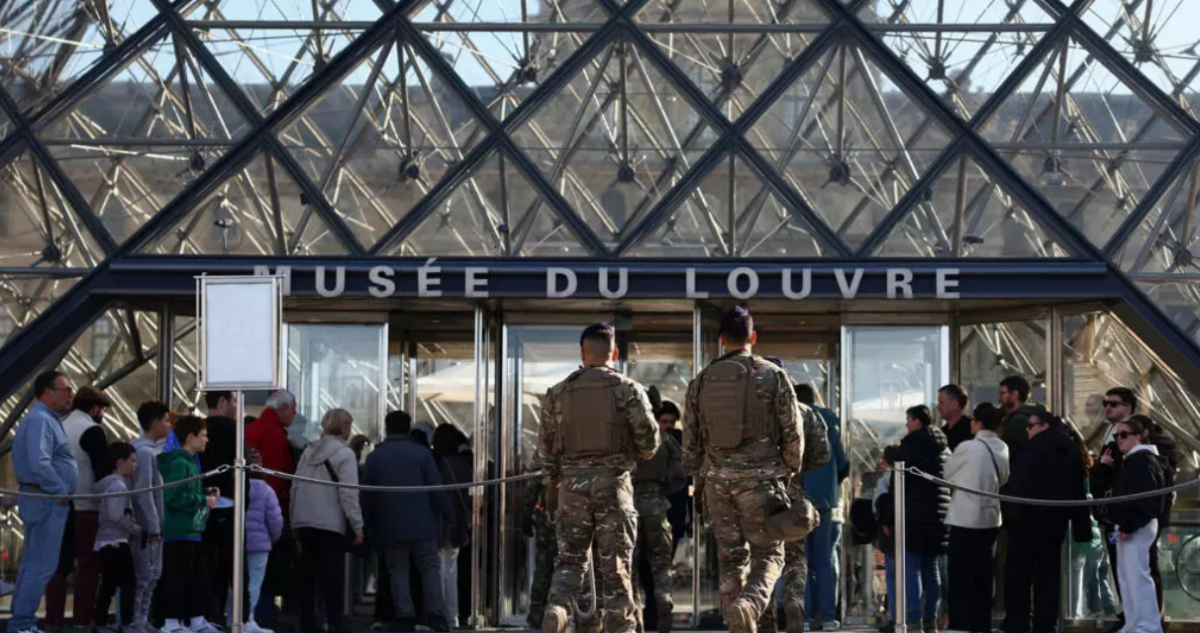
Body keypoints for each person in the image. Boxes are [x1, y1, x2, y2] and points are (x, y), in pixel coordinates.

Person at [682, 307, 802, 633]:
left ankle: (737, 621)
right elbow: (793, 434)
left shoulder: (701, 381)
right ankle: (749, 604)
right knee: (769, 556)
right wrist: (788, 472)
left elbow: (690, 445)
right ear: (753, 337)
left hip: (717, 485)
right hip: (761, 483)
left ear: (722, 340)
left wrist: (700, 477)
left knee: (731, 559)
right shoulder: (773, 376)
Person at [539, 322, 659, 633]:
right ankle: (620, 627)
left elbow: (546, 451)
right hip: (613, 486)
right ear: (614, 353)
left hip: (571, 489)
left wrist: (554, 483)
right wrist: (629, 456)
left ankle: (558, 609)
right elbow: (649, 442)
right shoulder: (628, 389)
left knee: (570, 560)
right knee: (616, 567)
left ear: (583, 352)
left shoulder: (558, 393)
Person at [363, 410, 454, 632]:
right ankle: (435, 614)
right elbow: (436, 489)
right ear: (408, 428)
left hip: (390, 525)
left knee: (398, 569)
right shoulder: (422, 454)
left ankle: (404, 615)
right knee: (430, 568)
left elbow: (367, 496)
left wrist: (366, 523)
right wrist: (449, 514)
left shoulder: (375, 457)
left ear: (387, 428)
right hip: (423, 525)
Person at [1003, 412, 1088, 633]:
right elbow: (1077, 489)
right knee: (1049, 576)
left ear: (1044, 426)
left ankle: (1017, 624)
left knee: (1019, 576)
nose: (1027, 430)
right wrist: (1082, 527)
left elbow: (1018, 487)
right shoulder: (1070, 449)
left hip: (1026, 523)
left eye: (1031, 426)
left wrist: (1011, 519)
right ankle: (1047, 625)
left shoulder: (1031, 451)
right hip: (1055, 523)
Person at [11, 371, 77, 633]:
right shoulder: (41, 420)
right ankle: (22, 624)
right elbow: (40, 462)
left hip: (44, 498)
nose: (70, 394)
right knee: (41, 565)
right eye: (65, 389)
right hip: (47, 499)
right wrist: (60, 491)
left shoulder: (45, 419)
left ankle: (22, 622)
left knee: (33, 564)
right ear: (48, 392)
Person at [291, 408, 364, 633]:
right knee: (332, 577)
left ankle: (308, 622)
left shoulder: (308, 450)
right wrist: (357, 525)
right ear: (343, 427)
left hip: (305, 521)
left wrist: (294, 519)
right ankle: (335, 622)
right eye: (349, 425)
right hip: (330, 523)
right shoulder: (345, 454)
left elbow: (295, 486)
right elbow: (348, 493)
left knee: (308, 576)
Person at [46, 386, 110, 628]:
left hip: (58, 505)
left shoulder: (59, 426)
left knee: (57, 568)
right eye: (102, 410)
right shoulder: (92, 430)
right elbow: (102, 473)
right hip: (86, 507)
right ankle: (82, 622)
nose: (103, 415)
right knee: (88, 567)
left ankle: (53, 622)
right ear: (94, 409)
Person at [944, 403, 1009, 633]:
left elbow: (946, 474)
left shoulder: (967, 447)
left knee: (960, 574)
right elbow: (1004, 478)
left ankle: (960, 622)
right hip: (990, 519)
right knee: (984, 575)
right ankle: (982, 623)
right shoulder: (1002, 447)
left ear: (978, 423)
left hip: (965, 518)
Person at [158, 415, 220, 633]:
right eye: (203, 435)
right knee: (177, 578)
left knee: (196, 578)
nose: (206, 440)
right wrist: (203, 499)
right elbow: (172, 496)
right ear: (190, 437)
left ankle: (196, 620)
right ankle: (171, 623)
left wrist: (205, 493)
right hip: (179, 530)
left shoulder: (190, 463)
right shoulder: (180, 463)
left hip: (192, 530)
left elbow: (184, 492)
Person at [1108, 416, 1167, 633]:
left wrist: (1128, 525)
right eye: (1117, 435)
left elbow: (1145, 500)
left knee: (1137, 576)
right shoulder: (1136, 460)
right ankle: (1135, 623)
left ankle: (1147, 625)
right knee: (1128, 577)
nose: (1119, 439)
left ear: (1139, 437)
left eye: (1124, 435)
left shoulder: (1142, 461)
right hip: (1132, 524)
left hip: (1137, 525)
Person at [894, 405, 950, 633]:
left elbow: (899, 483)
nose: (906, 424)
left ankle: (914, 620)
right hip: (939, 515)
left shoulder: (910, 445)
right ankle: (931, 619)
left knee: (913, 568)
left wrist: (890, 516)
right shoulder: (944, 447)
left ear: (916, 421)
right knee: (931, 567)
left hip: (914, 514)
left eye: (908, 419)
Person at [631, 404, 686, 633]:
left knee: (629, 567)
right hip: (657, 506)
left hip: (631, 507)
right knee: (661, 567)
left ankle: (635, 620)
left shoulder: (628, 438)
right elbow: (681, 473)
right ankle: (664, 608)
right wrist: (661, 490)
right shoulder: (666, 440)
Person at [245, 390, 298, 628]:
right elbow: (276, 479)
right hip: (265, 512)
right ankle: (261, 613)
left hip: (249, 509)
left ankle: (254, 612)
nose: (295, 414)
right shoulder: (274, 434)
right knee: (264, 569)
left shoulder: (257, 428)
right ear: (283, 408)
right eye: (293, 409)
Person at [794, 383, 844, 633]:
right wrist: (830, 487)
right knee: (825, 558)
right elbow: (842, 462)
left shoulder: (792, 416)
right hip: (825, 500)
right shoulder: (829, 419)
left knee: (800, 559)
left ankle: (803, 617)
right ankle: (828, 619)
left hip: (798, 499)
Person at [1090, 387, 1137, 632]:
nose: (1107, 407)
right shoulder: (1112, 433)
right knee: (1119, 566)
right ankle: (1129, 614)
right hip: (1111, 516)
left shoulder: (1131, 437)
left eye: (1113, 404)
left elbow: (1108, 470)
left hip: (1123, 517)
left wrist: (1101, 469)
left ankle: (1137, 617)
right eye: (1105, 403)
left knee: (1131, 568)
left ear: (1128, 408)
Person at [92, 442, 142, 633]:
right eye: (133, 461)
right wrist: (137, 529)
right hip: (116, 541)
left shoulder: (111, 484)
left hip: (108, 541)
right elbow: (116, 516)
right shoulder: (118, 486)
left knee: (109, 583)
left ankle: (101, 622)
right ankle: (125, 623)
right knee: (128, 583)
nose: (135, 465)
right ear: (120, 462)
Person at [200, 390, 239, 624]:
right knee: (228, 565)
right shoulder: (233, 430)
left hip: (201, 504)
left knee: (205, 563)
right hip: (228, 504)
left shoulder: (198, 428)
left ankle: (206, 615)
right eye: (234, 400)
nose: (237, 405)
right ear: (222, 402)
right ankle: (226, 615)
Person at [132, 401, 172, 633]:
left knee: (152, 575)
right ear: (155, 423)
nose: (169, 425)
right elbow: (144, 491)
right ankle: (135, 620)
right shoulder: (145, 453)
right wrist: (154, 525)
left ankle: (142, 618)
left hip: (151, 526)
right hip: (147, 528)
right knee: (145, 575)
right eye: (166, 420)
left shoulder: (148, 451)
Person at [432, 425, 472, 629]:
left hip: (437, 523)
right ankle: (452, 615)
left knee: (437, 569)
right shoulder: (464, 466)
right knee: (451, 570)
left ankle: (439, 613)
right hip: (457, 525)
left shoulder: (436, 464)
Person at [238, 456, 283, 633]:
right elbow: (275, 521)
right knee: (254, 584)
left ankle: (232, 617)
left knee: (235, 584)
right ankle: (248, 619)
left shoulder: (237, 487)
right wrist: (273, 538)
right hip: (260, 545)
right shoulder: (266, 490)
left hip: (238, 543)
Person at [873, 444, 902, 633]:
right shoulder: (913, 477)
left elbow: (877, 505)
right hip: (911, 531)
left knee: (892, 577)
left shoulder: (885, 480)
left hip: (890, 533)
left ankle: (896, 617)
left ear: (886, 460)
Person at [997, 375, 1046, 456]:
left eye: (1003, 393)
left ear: (1015, 394)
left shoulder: (1019, 421)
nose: (999, 398)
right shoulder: (1034, 416)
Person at [936, 385, 972, 453]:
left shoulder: (971, 431)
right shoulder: (941, 433)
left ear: (954, 404)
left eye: (941, 402)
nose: (938, 406)